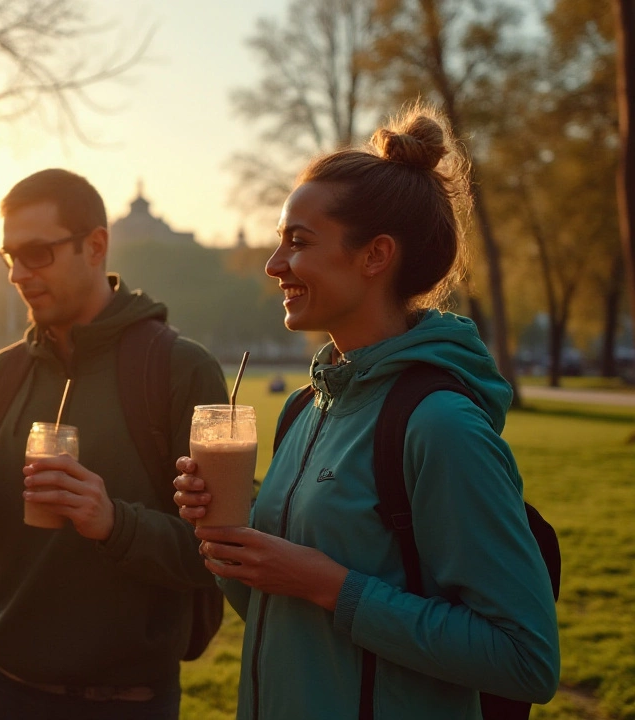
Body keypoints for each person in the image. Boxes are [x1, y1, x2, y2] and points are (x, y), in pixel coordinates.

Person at [172, 107, 559, 719]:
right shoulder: (305, 407)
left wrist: (329, 584)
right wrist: (229, 540)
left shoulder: (440, 426)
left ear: (375, 256)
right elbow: (282, 614)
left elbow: (525, 657)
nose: (274, 265)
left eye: (298, 242)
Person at [0, 168, 229, 719]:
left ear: (96, 246)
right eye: (9, 257)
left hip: (127, 699)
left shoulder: (177, 369)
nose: (18, 274)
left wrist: (113, 521)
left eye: (37, 253)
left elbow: (215, 550)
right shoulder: (1, 376)